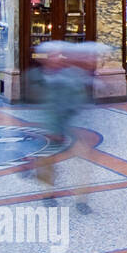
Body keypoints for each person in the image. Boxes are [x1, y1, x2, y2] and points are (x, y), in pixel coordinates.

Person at [25, 42, 96, 214]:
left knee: (82, 164)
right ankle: (48, 195)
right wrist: (51, 129)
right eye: (52, 55)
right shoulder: (35, 77)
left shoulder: (71, 75)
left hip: (71, 128)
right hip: (49, 130)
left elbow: (78, 99)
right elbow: (38, 105)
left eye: (59, 54)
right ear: (45, 58)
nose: (57, 58)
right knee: (46, 164)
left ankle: (82, 199)